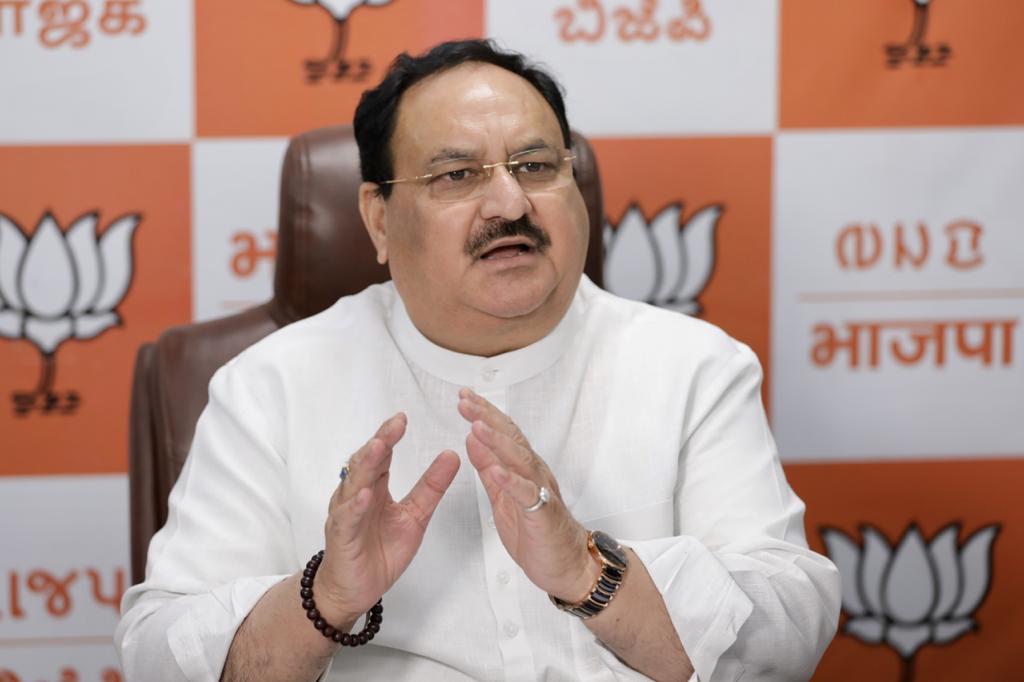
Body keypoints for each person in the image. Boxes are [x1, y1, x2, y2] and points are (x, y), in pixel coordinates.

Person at [116, 39, 839, 681]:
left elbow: (790, 628)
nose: (509, 201)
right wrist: (327, 597)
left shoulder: (693, 366)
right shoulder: (270, 385)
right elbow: (158, 652)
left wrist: (591, 573)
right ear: (377, 219)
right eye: (456, 176)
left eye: (536, 165)